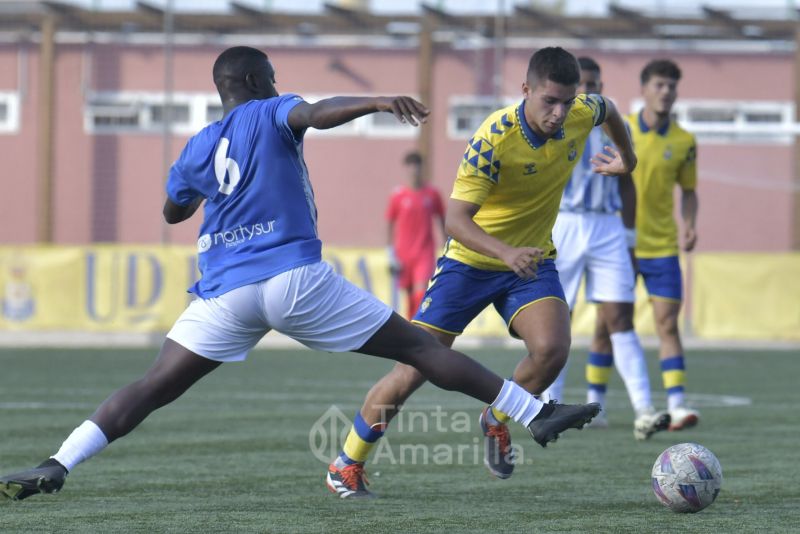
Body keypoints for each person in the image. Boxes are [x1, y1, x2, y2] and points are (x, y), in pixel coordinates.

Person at [0, 46, 601, 502]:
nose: (277, 86)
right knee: (420, 348)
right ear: (257, 82)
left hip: (224, 293)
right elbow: (314, 113)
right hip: (291, 279)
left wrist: (203, 192)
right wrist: (376, 101)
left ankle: (58, 461)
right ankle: (533, 413)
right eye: (271, 79)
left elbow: (173, 211)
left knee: (152, 386)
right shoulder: (270, 110)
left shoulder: (199, 145)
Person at [326, 47, 636, 498]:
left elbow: (608, 110)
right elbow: (455, 221)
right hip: (469, 263)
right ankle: (347, 464)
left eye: (567, 102)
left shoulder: (580, 112)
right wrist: (505, 252)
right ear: (526, 90)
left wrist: (628, 158)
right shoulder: (494, 137)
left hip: (530, 259)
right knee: (413, 369)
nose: (559, 113)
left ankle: (497, 417)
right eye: (549, 101)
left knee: (552, 350)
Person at [541, 57, 670, 441]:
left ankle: (644, 410)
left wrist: (630, 238)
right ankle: (550, 406)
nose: (588, 90)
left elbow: (628, 182)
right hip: (565, 223)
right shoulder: (555, 125)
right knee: (556, 317)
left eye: (594, 83)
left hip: (608, 227)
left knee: (620, 317)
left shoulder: (616, 125)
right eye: (581, 84)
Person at [611, 58, 699, 430]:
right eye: (659, 85)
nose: (666, 92)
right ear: (644, 89)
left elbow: (689, 191)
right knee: (608, 325)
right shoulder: (621, 129)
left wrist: (689, 225)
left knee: (667, 324)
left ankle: (676, 405)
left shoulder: (684, 141)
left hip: (662, 246)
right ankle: (597, 403)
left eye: (671, 86)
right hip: (619, 245)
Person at [385, 151, 445, 319]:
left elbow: (442, 220)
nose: (414, 170)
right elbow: (390, 224)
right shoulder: (398, 195)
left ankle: (419, 326)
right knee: (409, 295)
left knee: (421, 291)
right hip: (403, 254)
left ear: (421, 168)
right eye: (410, 166)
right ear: (406, 168)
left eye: (417, 166)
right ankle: (412, 325)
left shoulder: (432, 194)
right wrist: (390, 253)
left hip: (424, 252)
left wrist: (447, 245)